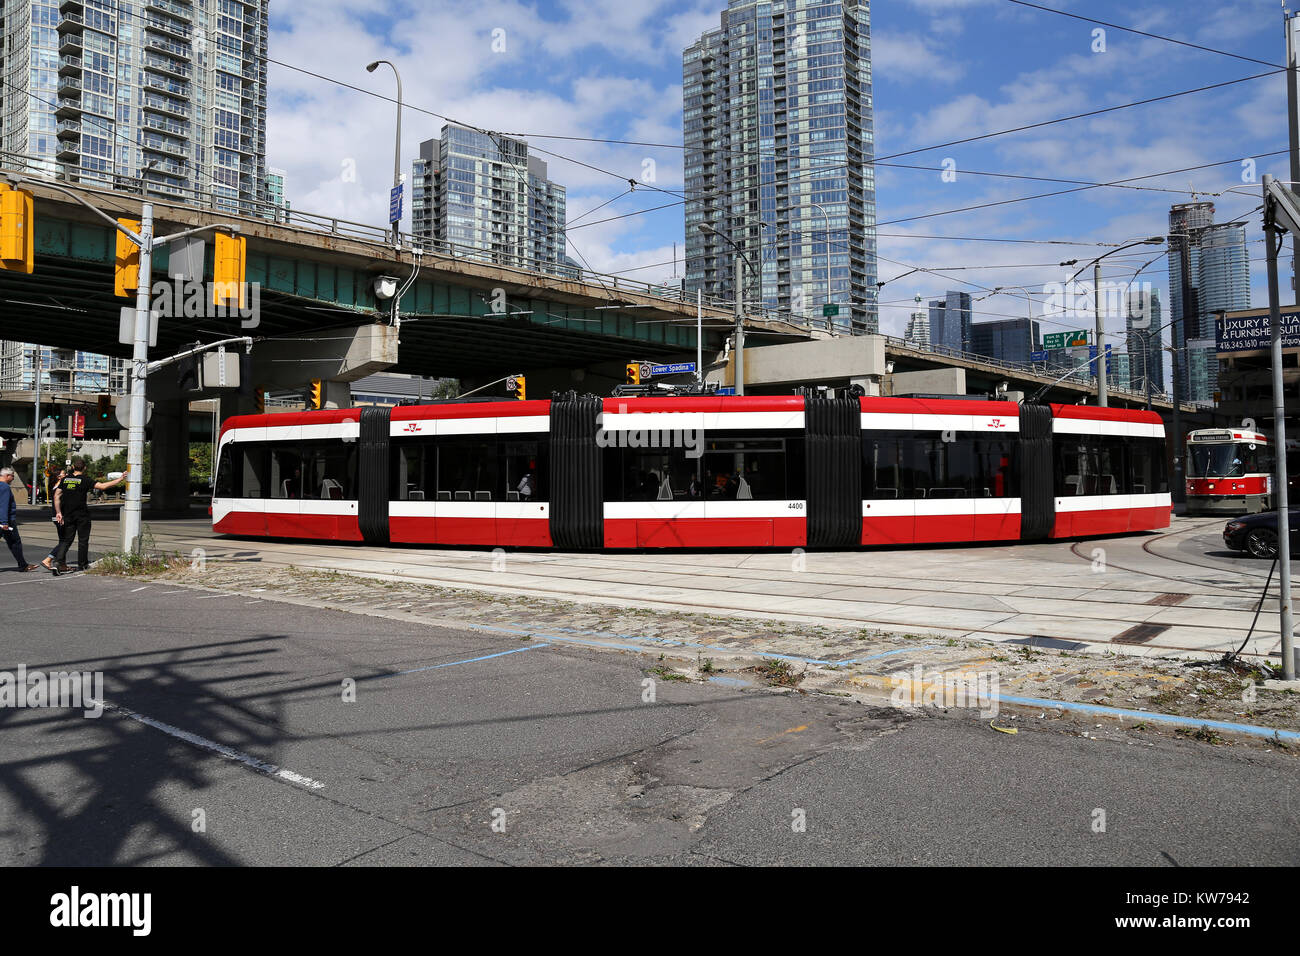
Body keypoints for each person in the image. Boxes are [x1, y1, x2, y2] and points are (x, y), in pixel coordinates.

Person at [50, 458, 128, 573]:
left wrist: (58, 512)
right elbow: (103, 486)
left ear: (72, 467)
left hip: (68, 515)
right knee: (83, 540)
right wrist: (120, 479)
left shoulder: (65, 479)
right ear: (84, 468)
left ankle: (58, 562)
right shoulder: (85, 480)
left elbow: (57, 495)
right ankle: (82, 565)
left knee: (67, 540)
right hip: (82, 515)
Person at [0, 467, 38, 572]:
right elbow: (4, 506)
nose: (13, 478)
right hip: (6, 521)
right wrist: (4, 522)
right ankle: (23, 565)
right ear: (7, 476)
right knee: (15, 543)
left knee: (14, 543)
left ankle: (23, 565)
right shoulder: (4, 487)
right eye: (12, 476)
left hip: (3, 520)